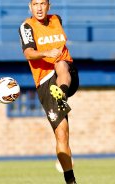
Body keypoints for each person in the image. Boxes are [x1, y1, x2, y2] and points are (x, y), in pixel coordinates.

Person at [18, 0, 79, 184]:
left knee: (61, 64)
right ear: (30, 7)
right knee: (62, 134)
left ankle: (62, 93)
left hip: (66, 73)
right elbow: (28, 53)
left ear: (48, 6)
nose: (39, 8)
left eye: (42, 3)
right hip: (44, 81)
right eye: (35, 4)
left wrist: (55, 55)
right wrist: (46, 53)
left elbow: (60, 56)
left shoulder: (56, 20)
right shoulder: (27, 26)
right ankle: (71, 180)